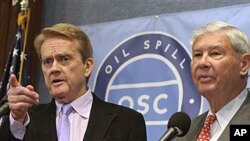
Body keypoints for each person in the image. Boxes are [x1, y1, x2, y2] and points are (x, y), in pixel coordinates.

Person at [0, 23, 147, 141]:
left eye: (64, 59)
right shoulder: (25, 120)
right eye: (47, 61)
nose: (54, 69)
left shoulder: (127, 121)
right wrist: (17, 119)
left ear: (87, 67)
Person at [176, 21, 250, 141]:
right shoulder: (184, 133)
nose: (202, 63)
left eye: (215, 53)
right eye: (198, 55)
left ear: (243, 64)